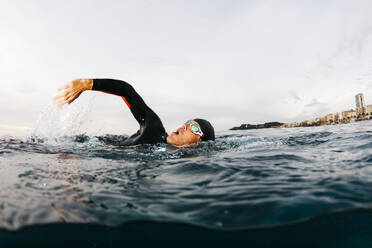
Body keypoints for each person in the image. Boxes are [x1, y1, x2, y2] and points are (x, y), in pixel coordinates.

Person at [53, 78, 215, 147]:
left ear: (199, 142)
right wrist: (87, 84)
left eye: (193, 128)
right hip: (85, 144)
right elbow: (127, 91)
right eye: (187, 123)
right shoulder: (154, 128)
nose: (185, 126)